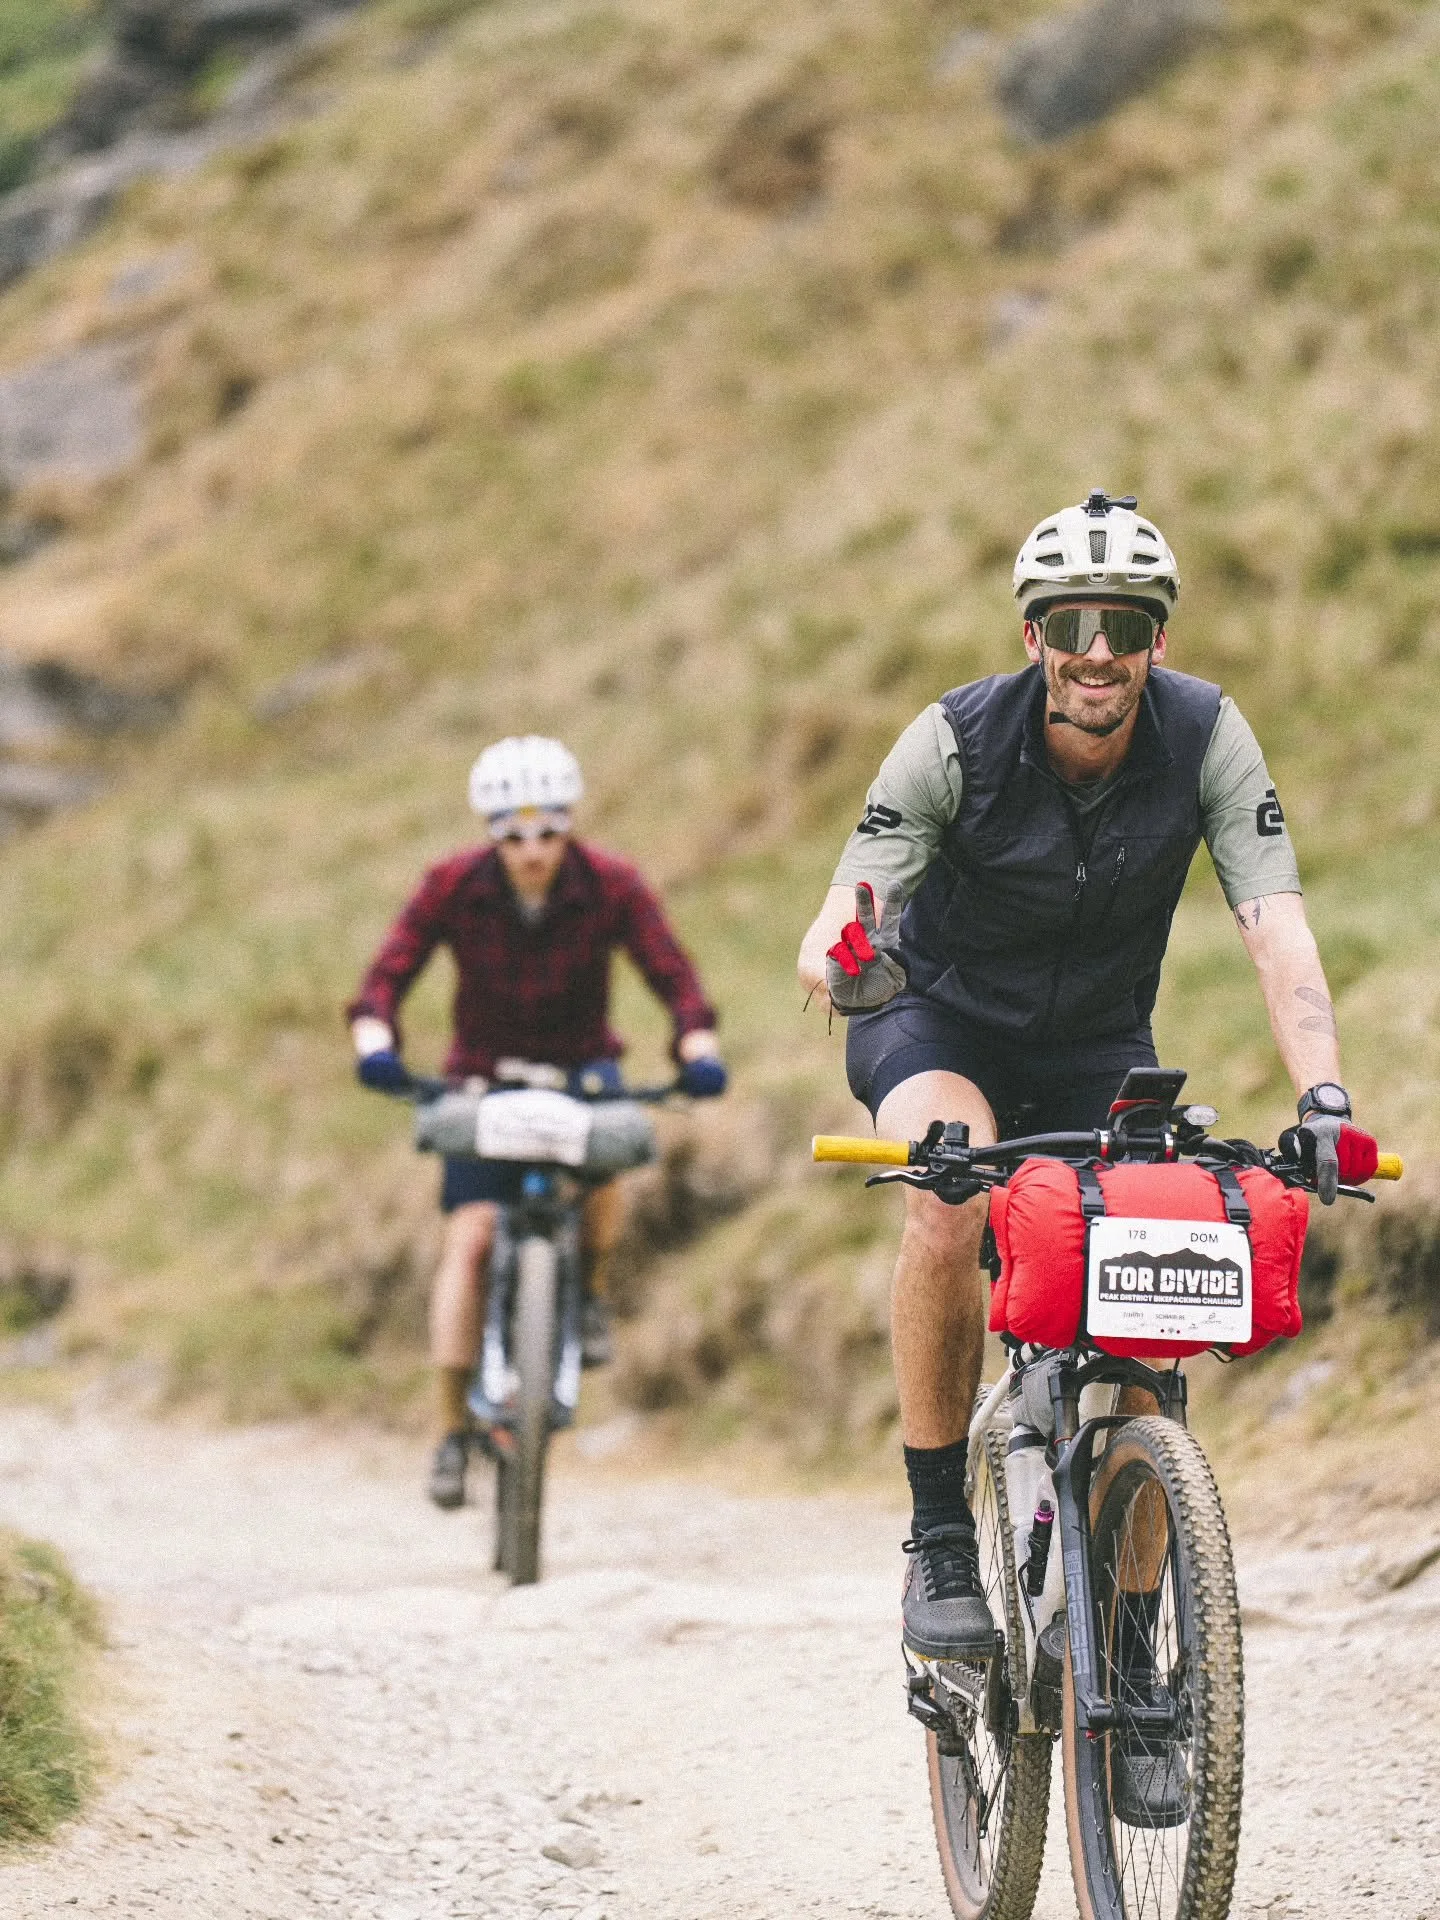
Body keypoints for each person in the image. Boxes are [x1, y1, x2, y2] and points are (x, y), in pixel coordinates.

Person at [797, 490, 1376, 1801]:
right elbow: (845, 911)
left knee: (1151, 1282)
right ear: (1035, 632)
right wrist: (847, 958)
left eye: (1125, 625)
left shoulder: (1208, 737)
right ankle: (943, 1537)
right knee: (950, 1190)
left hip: (1098, 1041)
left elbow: (1274, 924)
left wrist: (1325, 1100)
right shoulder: (954, 739)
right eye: (1073, 626)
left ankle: (1129, 1655)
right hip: (931, 1022)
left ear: (1155, 637)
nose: (1098, 650)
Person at [349, 735, 725, 1510]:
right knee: (472, 1239)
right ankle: (450, 1431)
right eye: (513, 834)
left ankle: (585, 1292)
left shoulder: (613, 885)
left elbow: (673, 977)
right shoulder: (451, 885)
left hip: (582, 1069)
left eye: (548, 831)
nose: (531, 851)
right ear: (490, 831)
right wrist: (376, 1041)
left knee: (607, 1163)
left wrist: (696, 1042)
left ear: (569, 824)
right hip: (482, 1077)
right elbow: (388, 974)